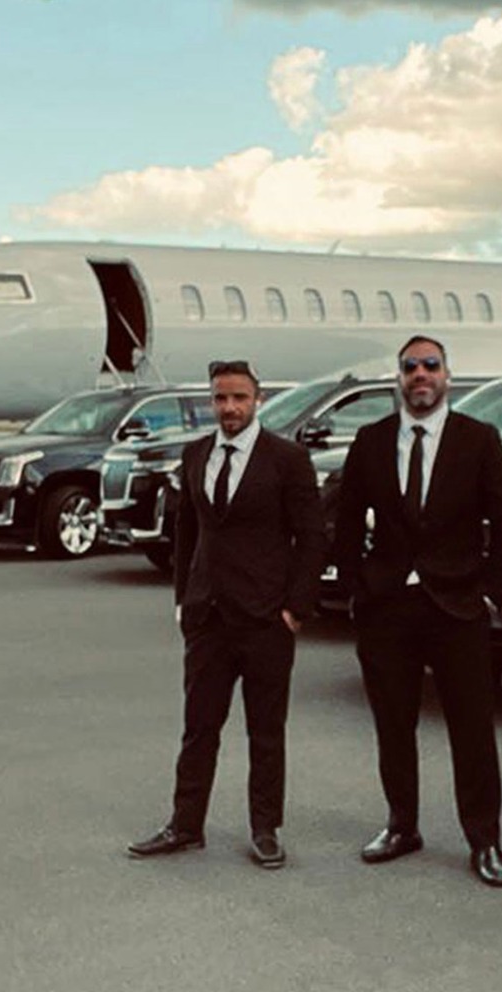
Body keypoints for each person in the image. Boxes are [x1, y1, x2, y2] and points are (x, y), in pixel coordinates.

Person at [332, 336, 502, 887]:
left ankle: (485, 840)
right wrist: (355, 586)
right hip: (386, 606)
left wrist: (492, 590)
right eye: (411, 366)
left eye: (431, 365)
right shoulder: (370, 442)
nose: (421, 374)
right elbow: (345, 522)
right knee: (394, 725)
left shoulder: (478, 440)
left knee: (471, 729)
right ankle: (401, 825)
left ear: (447, 376)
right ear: (399, 377)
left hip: (457, 605)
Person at [128, 360, 326, 869]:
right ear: (211, 402)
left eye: (239, 398)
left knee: (265, 731)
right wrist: (182, 601)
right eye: (220, 398)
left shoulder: (286, 458)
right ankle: (185, 824)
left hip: (266, 621)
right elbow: (187, 533)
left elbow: (312, 538)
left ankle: (265, 829)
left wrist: (296, 610)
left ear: (256, 400)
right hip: (207, 619)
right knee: (199, 729)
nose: (230, 407)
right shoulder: (196, 455)